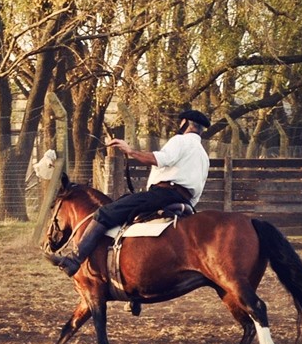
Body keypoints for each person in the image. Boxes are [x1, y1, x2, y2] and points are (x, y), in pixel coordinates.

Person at [55, 109, 211, 277]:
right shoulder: (203, 155)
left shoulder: (180, 141)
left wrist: (130, 151)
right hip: (186, 201)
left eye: (181, 122)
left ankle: (75, 259)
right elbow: (198, 190)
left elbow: (159, 159)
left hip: (163, 194)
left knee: (105, 212)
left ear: (186, 123)